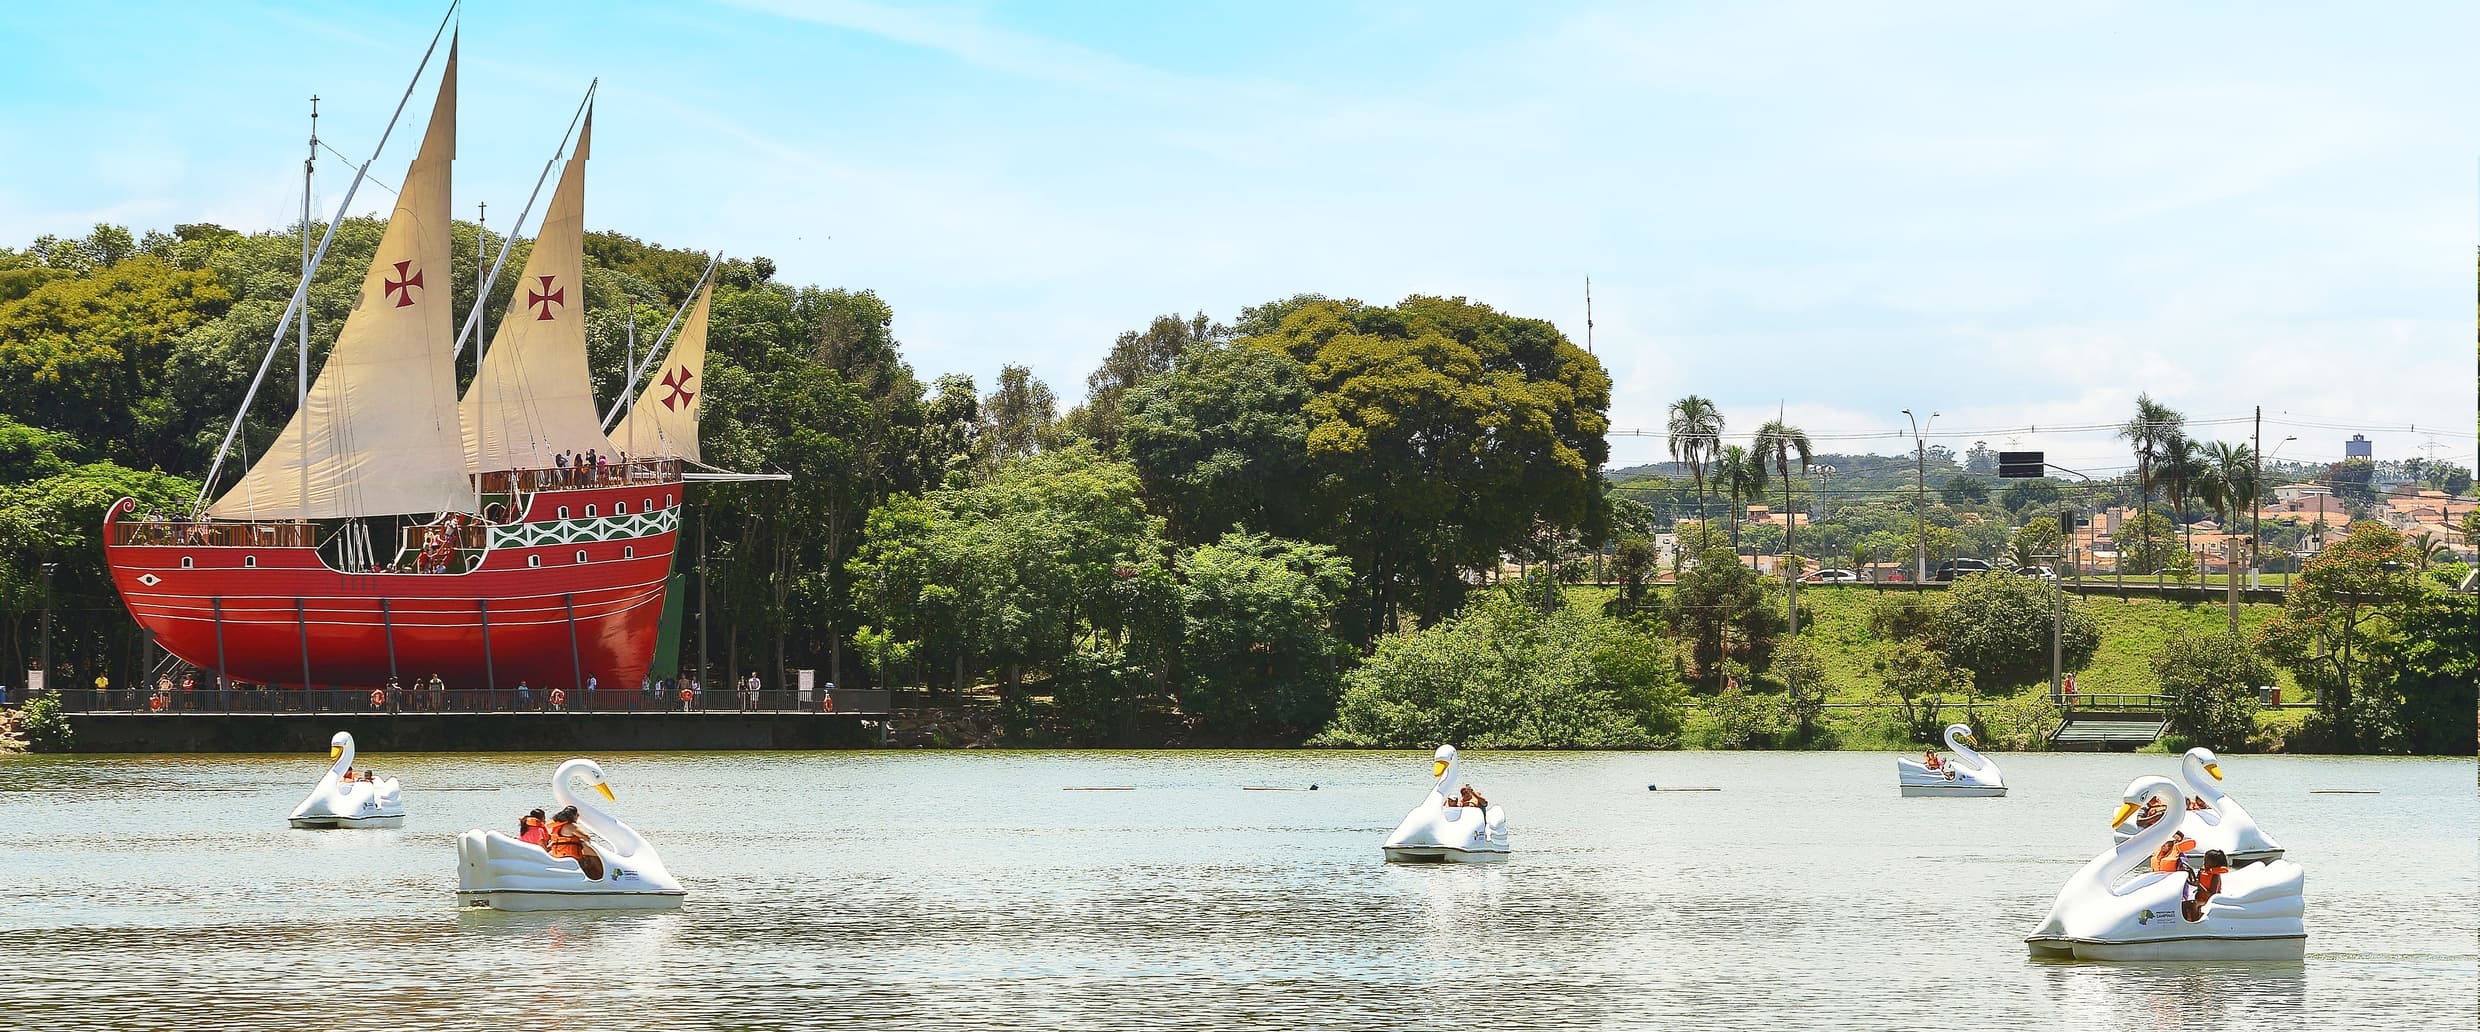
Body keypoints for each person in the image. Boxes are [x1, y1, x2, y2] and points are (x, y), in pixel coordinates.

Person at [545, 805, 604, 879]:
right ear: (574, 816)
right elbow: (587, 837)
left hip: (558, 854)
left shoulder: (557, 827)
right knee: (595, 858)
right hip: (570, 856)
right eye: (577, 815)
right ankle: (598, 877)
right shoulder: (571, 826)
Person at [2184, 849, 2231, 921]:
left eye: (2206, 860)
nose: (2204, 862)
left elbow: (2212, 895)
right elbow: (2195, 882)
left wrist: (2199, 885)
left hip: (2209, 899)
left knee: (2193, 904)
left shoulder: (2215, 876)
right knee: (2184, 904)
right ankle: (2187, 921)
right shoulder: (2202, 871)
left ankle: (2195, 923)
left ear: (2214, 863)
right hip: (2200, 897)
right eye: (2204, 860)